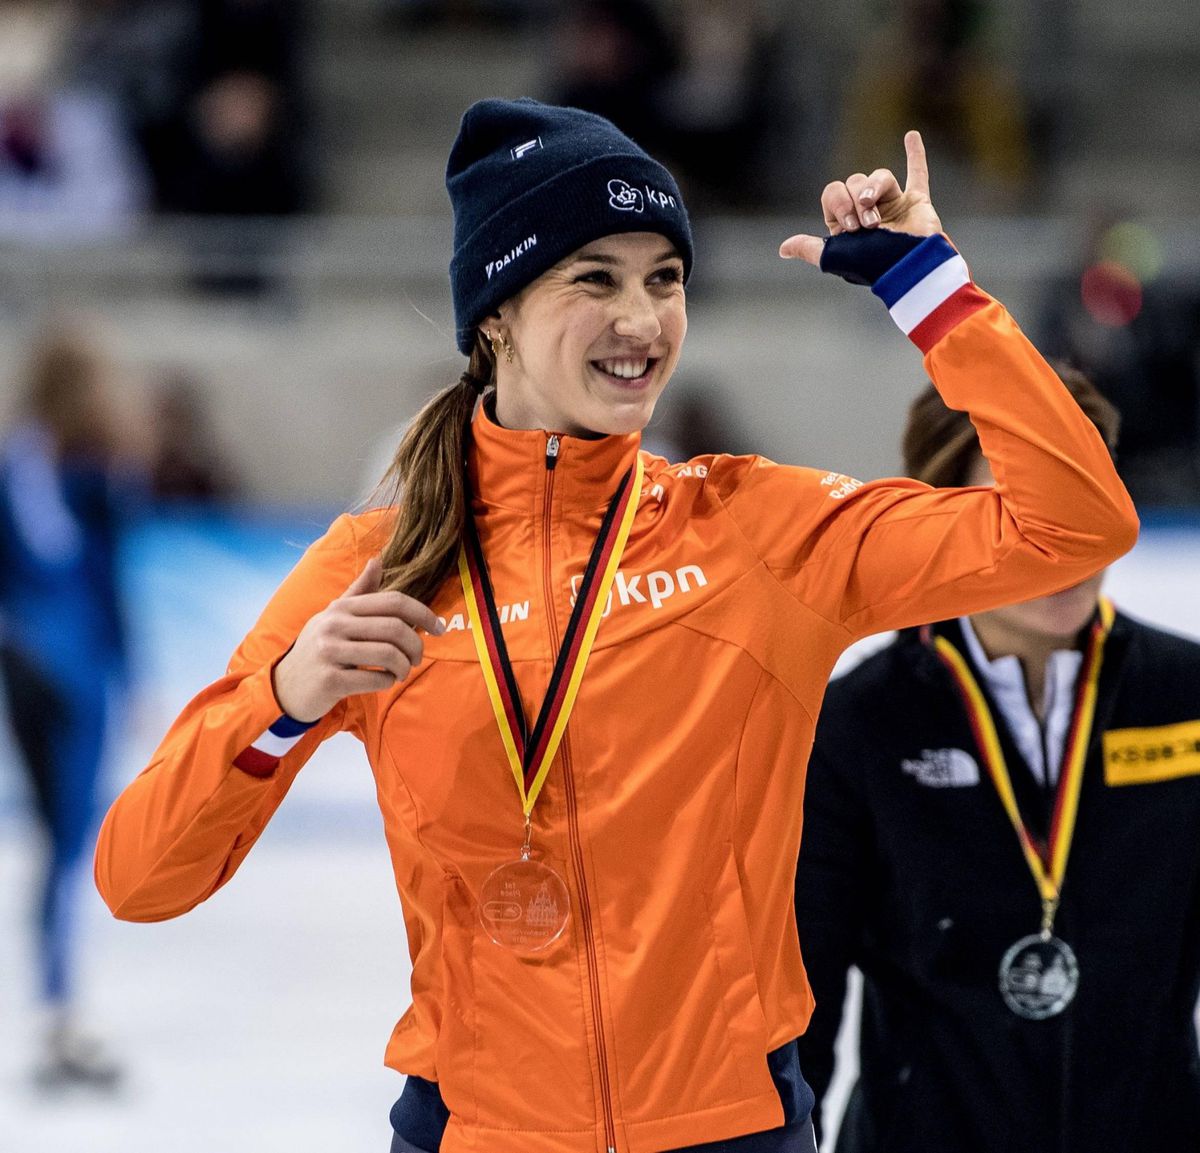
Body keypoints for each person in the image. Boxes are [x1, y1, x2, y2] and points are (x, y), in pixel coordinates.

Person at [94, 97, 1137, 1152]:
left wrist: (933, 294)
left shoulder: (756, 532)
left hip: (728, 1125)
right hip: (479, 1129)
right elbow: (138, 876)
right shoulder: (376, 568)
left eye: (664, 278)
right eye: (594, 279)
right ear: (495, 310)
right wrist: (281, 705)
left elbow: (1076, 526)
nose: (641, 319)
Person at [794, 368, 1200, 1152]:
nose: (1065, 543)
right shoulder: (859, 722)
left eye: (1084, 498)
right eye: (1022, 509)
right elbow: (802, 1004)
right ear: (944, 519)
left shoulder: (1186, 695)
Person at [0, 323, 133, 1088]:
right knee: (66, 839)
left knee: (55, 843)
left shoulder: (19, 460)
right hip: (74, 673)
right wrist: (131, 670)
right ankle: (59, 1007)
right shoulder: (92, 467)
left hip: (24, 663)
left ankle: (56, 1003)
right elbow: (109, 581)